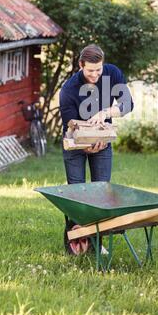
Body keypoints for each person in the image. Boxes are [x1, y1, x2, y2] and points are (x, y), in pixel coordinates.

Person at [59, 44, 134, 254]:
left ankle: (96, 242)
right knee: (77, 193)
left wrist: (106, 112)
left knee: (101, 192)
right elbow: (69, 128)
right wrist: (86, 147)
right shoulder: (69, 90)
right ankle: (73, 244)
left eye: (98, 69)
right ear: (81, 65)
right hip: (75, 144)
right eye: (90, 70)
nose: (95, 74)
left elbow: (128, 104)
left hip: (102, 140)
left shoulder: (112, 73)